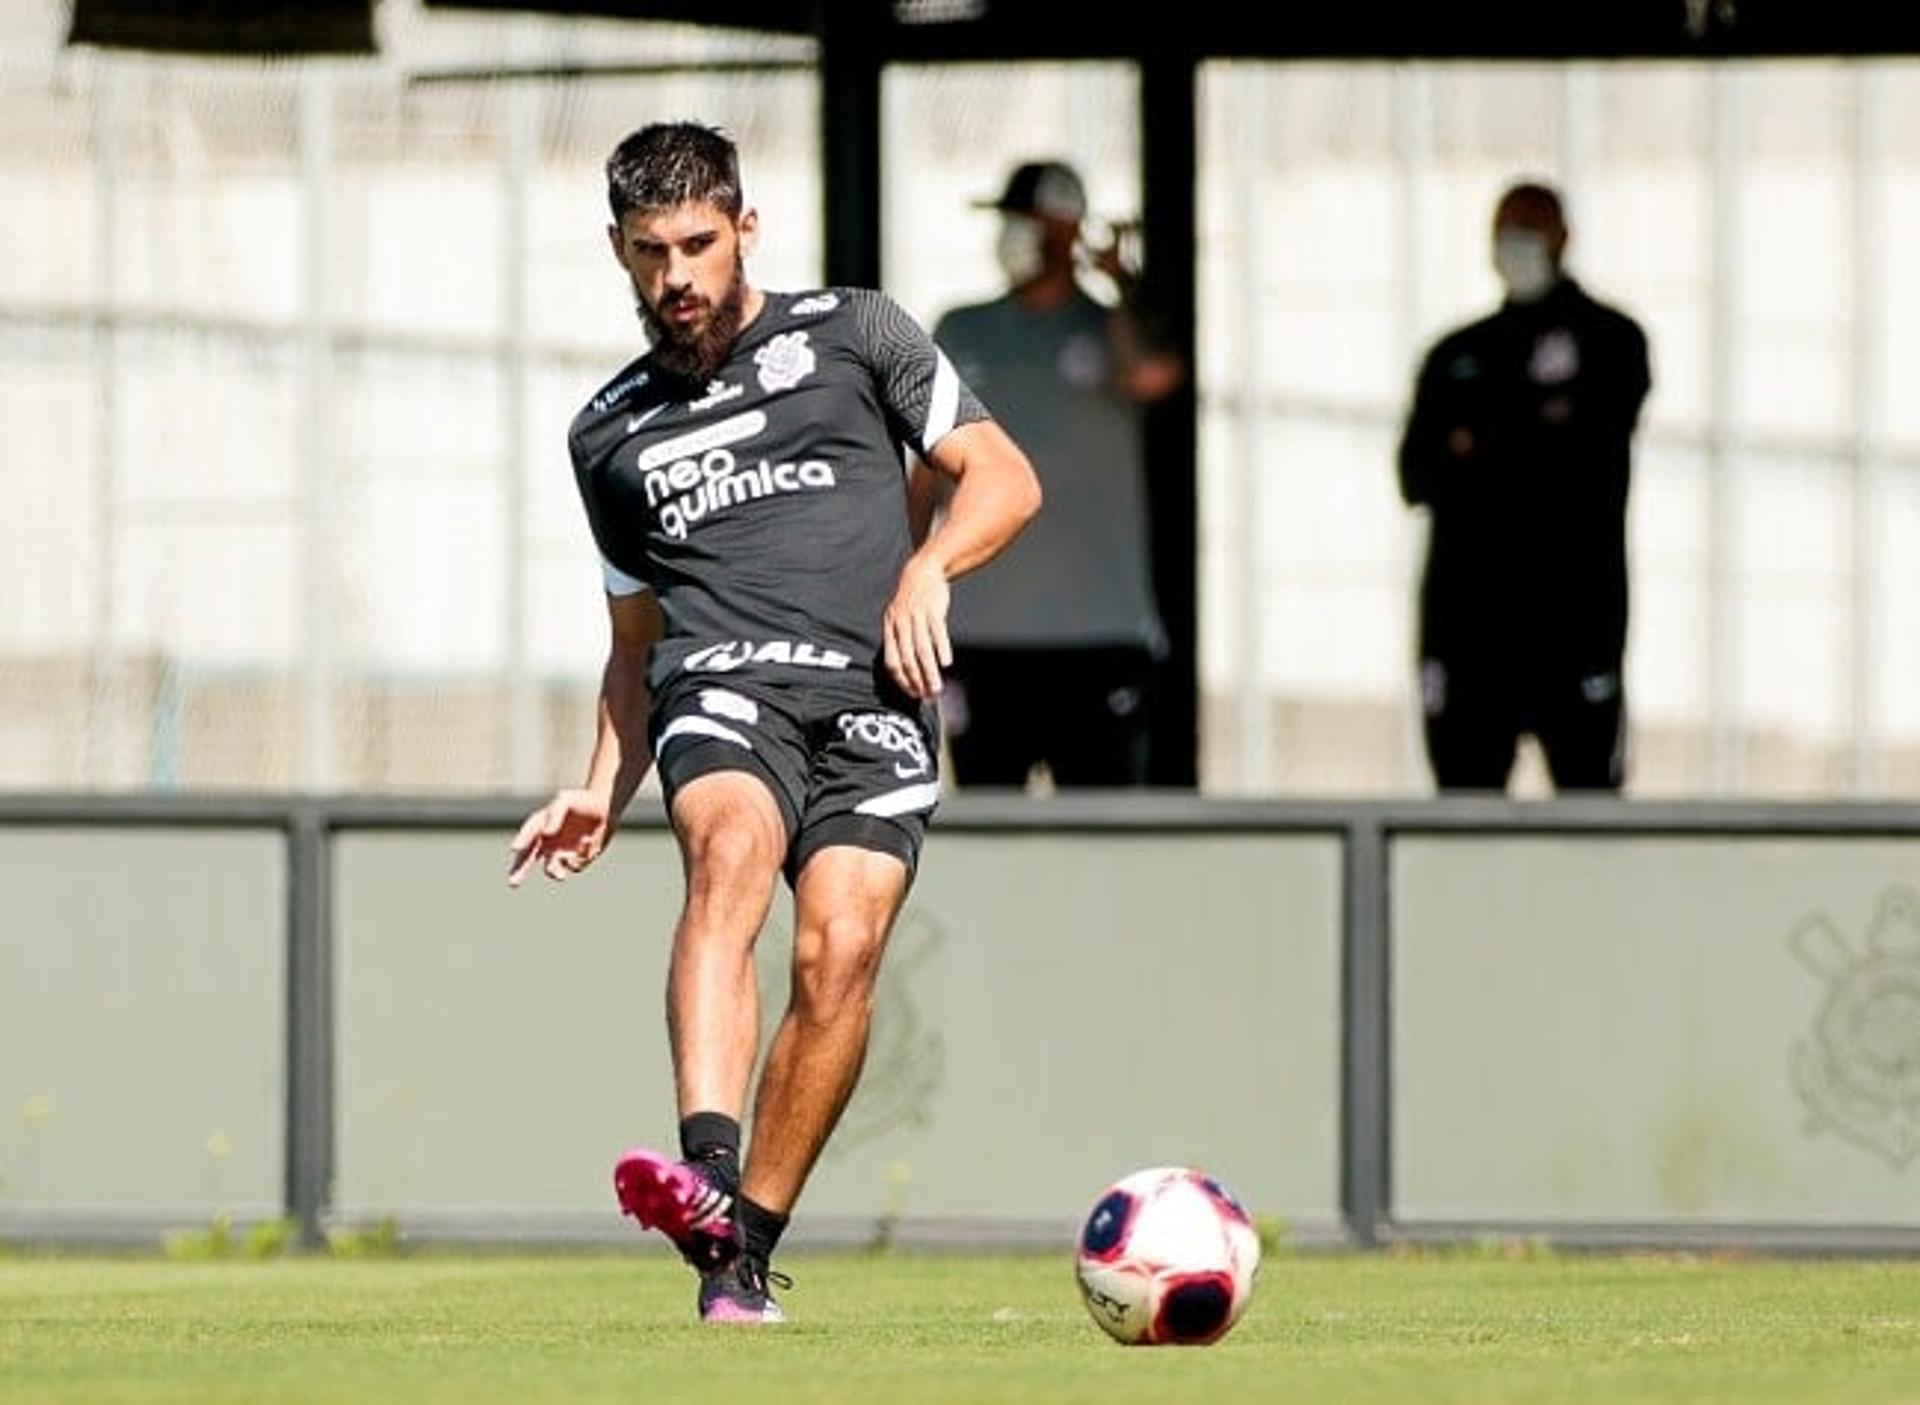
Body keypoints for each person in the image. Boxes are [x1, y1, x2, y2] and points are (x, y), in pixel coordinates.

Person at [507, 122, 1040, 1324]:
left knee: (836, 954)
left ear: (747, 229)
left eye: (698, 243)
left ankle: (744, 1250)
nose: (677, 275)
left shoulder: (859, 333)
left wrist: (929, 568)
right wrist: (600, 781)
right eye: (650, 252)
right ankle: (701, 1177)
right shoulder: (609, 434)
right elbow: (635, 647)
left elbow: (1005, 476)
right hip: (724, 691)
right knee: (729, 852)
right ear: (618, 251)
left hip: (873, 700)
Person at [911, 159, 1184, 789]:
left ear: (1063, 231)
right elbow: (920, 459)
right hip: (983, 632)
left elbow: (1154, 374)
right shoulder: (963, 328)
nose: (1009, 236)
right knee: (991, 820)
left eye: (1024, 222)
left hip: (1098, 633)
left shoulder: (1107, 326)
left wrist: (1122, 286)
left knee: (1100, 832)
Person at [1396, 179, 1651, 794]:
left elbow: (1577, 459)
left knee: (1588, 803)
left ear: (1562, 236)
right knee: (1464, 802)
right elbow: (1417, 473)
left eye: (1529, 230)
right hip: (1469, 630)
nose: (1516, 246)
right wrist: (1529, 428)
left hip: (1574, 623)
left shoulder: (1609, 339)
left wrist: (1480, 444)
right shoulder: (1456, 353)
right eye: (1505, 232)